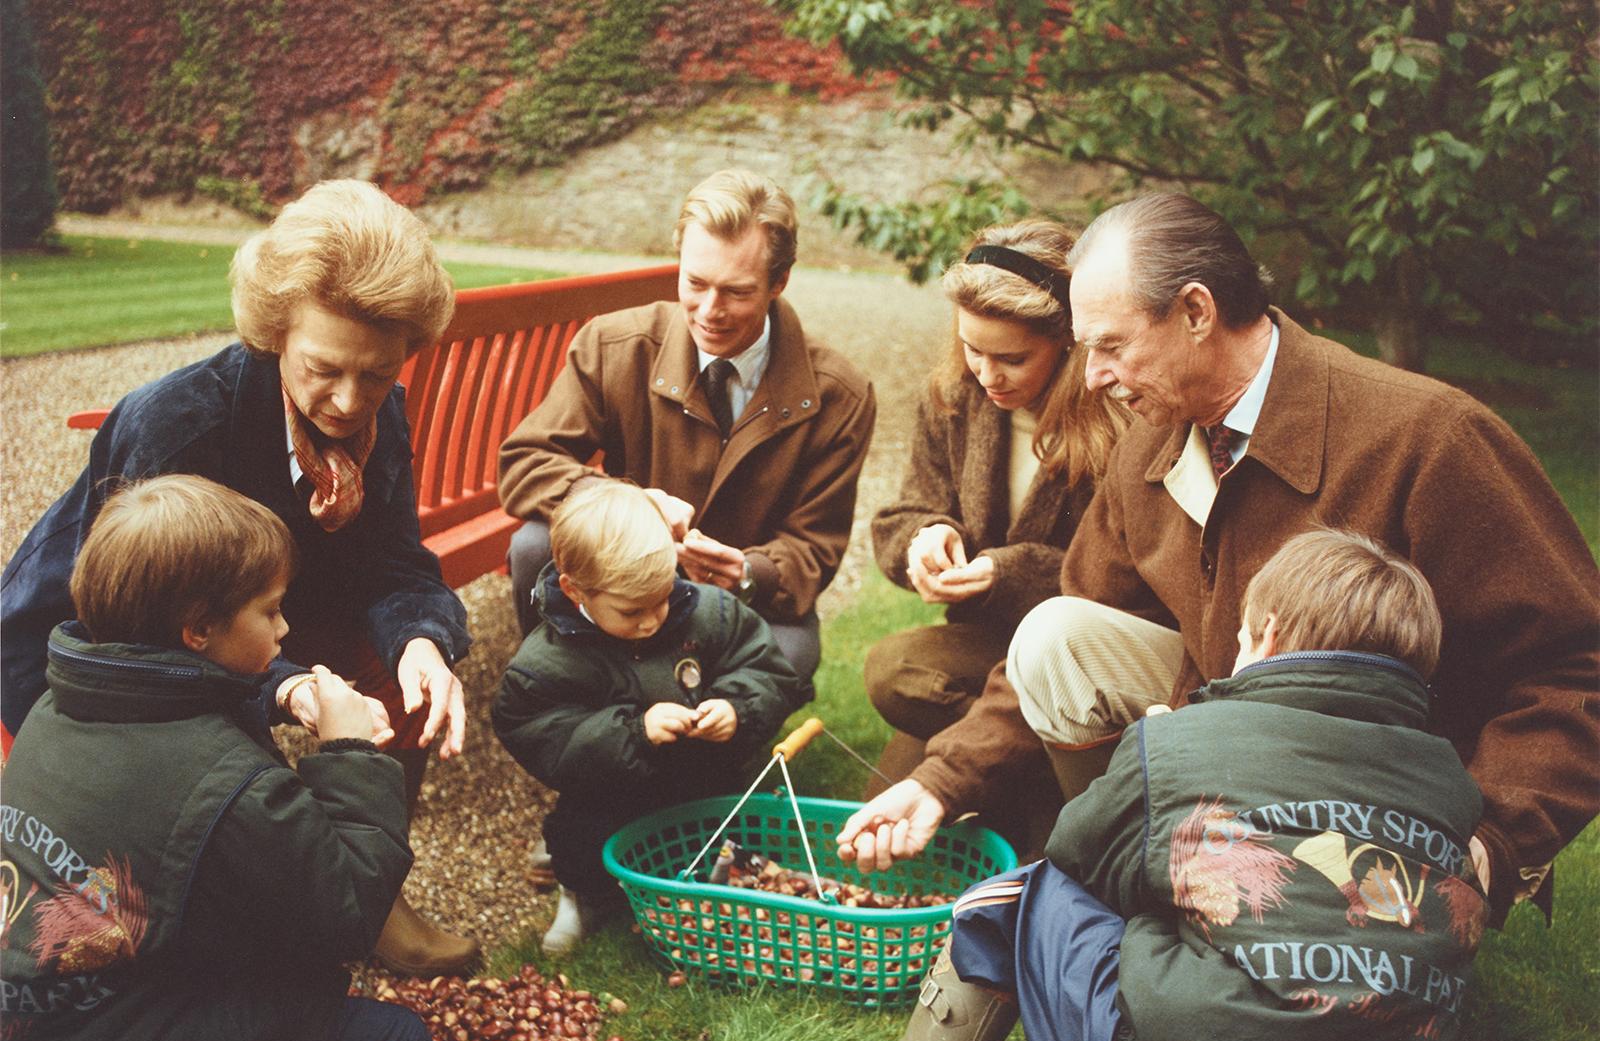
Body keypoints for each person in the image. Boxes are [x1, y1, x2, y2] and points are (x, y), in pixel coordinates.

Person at [837, 192, 1600, 930]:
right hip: (1228, 749)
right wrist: (939, 783)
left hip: (1384, 793)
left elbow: (1578, 664)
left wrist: (1489, 842)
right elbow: (1071, 625)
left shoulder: (1430, 439)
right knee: (1054, 633)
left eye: (1110, 345)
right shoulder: (1153, 441)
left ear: (1197, 312)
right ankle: (1148, 889)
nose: (1093, 376)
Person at [804, 529, 1489, 1041]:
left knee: (1029, 890)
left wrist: (1152, 754)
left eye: (1242, 639)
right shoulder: (1450, 786)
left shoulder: (1184, 739)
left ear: (1269, 637)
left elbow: (1080, 854)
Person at [1, 179, 480, 975]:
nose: (351, 400)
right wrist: (287, 687)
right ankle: (270, 941)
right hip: (97, 656)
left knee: (402, 672)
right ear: (274, 332)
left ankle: (373, 899)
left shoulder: (375, 410)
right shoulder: (182, 423)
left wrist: (424, 644)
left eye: (379, 375)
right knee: (226, 814)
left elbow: (396, 563)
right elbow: (151, 650)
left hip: (251, 618)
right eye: (325, 368)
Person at [0, 477, 445, 1041]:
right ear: (198, 629)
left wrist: (281, 688)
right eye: (269, 611)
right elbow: (352, 908)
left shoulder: (60, 706)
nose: (285, 631)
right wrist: (350, 754)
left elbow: (173, 685)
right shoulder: (230, 788)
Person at [496, 167, 876, 685]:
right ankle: (562, 712)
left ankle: (707, 760)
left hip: (745, 603)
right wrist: (626, 507)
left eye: (737, 292)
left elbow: (814, 551)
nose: (710, 312)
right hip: (621, 574)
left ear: (779, 282)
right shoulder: (613, 345)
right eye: (694, 283)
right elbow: (524, 463)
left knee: (783, 660)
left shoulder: (840, 394)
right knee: (534, 544)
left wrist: (747, 572)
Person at [866, 218, 1125, 828]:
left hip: (1078, 658)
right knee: (893, 681)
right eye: (971, 348)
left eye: (1011, 358)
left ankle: (1036, 767)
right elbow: (902, 513)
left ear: (1070, 341)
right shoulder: (953, 397)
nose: (986, 373)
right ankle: (1036, 768)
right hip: (984, 649)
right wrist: (925, 538)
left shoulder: (1118, 421)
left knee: (924, 775)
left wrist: (1003, 572)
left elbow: (1119, 582)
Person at [492, 479, 811, 954]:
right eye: (632, 609)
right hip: (610, 791)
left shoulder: (711, 613)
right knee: (580, 841)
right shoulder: (547, 661)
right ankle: (583, 898)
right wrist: (634, 731)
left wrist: (736, 707)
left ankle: (721, 892)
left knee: (743, 828)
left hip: (708, 773)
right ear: (574, 590)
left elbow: (766, 668)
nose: (652, 619)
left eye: (663, 596)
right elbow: (543, 734)